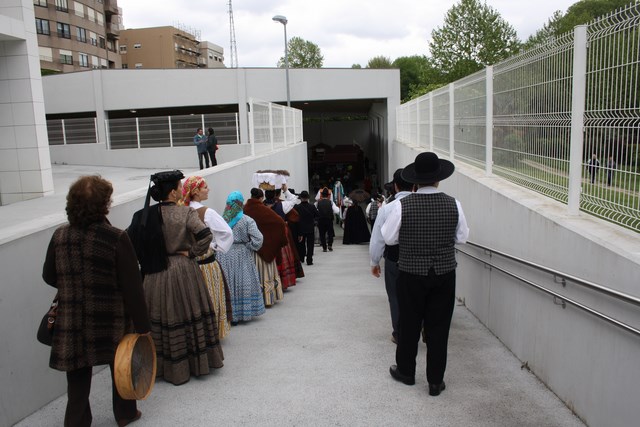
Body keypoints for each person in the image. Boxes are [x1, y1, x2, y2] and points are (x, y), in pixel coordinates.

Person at [43, 175, 150, 427]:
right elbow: (132, 286)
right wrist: (143, 326)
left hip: (72, 318)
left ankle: (77, 421)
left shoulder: (60, 236)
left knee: (77, 375)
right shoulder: (116, 237)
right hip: (110, 317)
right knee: (121, 365)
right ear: (104, 205)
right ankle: (125, 414)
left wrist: (74, 286)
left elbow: (49, 276)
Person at [382, 152, 469, 397]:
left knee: (409, 322)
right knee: (439, 327)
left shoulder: (401, 204)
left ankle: (406, 372)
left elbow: (389, 238)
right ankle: (435, 381)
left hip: (410, 272)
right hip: (444, 272)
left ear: (416, 181)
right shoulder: (454, 204)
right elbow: (462, 237)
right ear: (439, 180)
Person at [127, 170, 224, 386]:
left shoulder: (141, 215)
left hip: (154, 274)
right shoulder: (185, 213)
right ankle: (192, 363)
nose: (182, 190)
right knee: (187, 313)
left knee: (161, 315)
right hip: (182, 271)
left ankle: (161, 366)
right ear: (172, 192)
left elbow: (131, 243)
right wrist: (191, 253)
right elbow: (205, 236)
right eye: (180, 187)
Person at [182, 176, 234, 339]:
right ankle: (212, 332)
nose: (208, 189)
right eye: (205, 187)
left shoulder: (180, 210)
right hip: (205, 264)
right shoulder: (206, 212)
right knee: (210, 297)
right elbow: (227, 233)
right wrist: (214, 246)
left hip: (186, 264)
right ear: (196, 192)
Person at [369, 169, 413, 344]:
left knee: (395, 296)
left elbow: (378, 238)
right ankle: (421, 325)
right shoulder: (420, 204)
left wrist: (374, 261)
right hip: (417, 258)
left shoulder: (387, 209)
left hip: (394, 258)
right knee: (417, 296)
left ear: (395, 186)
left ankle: (399, 332)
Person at [216, 191, 266, 322]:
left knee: (227, 283)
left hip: (223, 254)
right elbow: (258, 238)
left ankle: (229, 315)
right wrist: (250, 246)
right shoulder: (247, 220)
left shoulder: (221, 220)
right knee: (242, 282)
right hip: (241, 253)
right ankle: (241, 313)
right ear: (240, 203)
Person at [243, 187, 288, 306]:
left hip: (250, 249)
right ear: (261, 197)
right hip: (265, 247)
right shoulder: (264, 209)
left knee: (253, 274)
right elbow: (279, 222)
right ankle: (268, 299)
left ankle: (255, 300)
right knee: (265, 273)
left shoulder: (244, 209)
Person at [295, 190, 320, 265]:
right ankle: (309, 260)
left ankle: (301, 258)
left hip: (301, 229)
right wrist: (314, 221)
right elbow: (317, 215)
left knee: (301, 244)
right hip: (310, 228)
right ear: (308, 198)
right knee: (310, 245)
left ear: (301, 198)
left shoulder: (297, 207)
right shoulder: (312, 207)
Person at [316, 187, 339, 252]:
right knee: (330, 233)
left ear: (322, 195)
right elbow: (337, 211)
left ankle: (324, 247)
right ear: (328, 195)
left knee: (322, 234)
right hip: (329, 220)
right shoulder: (331, 202)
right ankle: (330, 245)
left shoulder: (318, 202)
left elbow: (316, 211)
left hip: (321, 220)